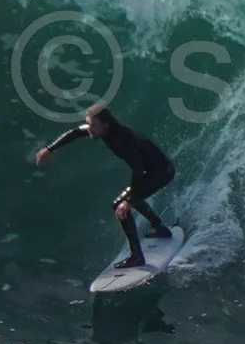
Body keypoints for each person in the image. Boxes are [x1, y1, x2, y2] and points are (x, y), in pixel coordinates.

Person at [34, 102, 177, 269]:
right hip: (154, 170)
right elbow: (75, 133)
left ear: (105, 124)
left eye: (93, 125)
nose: (89, 129)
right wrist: (50, 148)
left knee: (120, 205)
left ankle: (137, 256)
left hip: (160, 173)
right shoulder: (104, 129)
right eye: (88, 123)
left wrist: (128, 201)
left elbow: (138, 170)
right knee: (129, 198)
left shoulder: (121, 139)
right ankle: (159, 228)